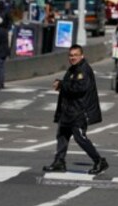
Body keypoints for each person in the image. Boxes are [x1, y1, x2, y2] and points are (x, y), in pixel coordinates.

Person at [43, 44, 108, 175]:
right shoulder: (73, 69)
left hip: (79, 111)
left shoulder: (83, 69)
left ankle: (99, 161)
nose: (72, 58)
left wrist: (61, 84)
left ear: (81, 56)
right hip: (68, 111)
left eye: (75, 55)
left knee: (80, 138)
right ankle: (59, 162)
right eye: (70, 55)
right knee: (62, 135)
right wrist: (62, 83)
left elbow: (80, 87)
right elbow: (71, 84)